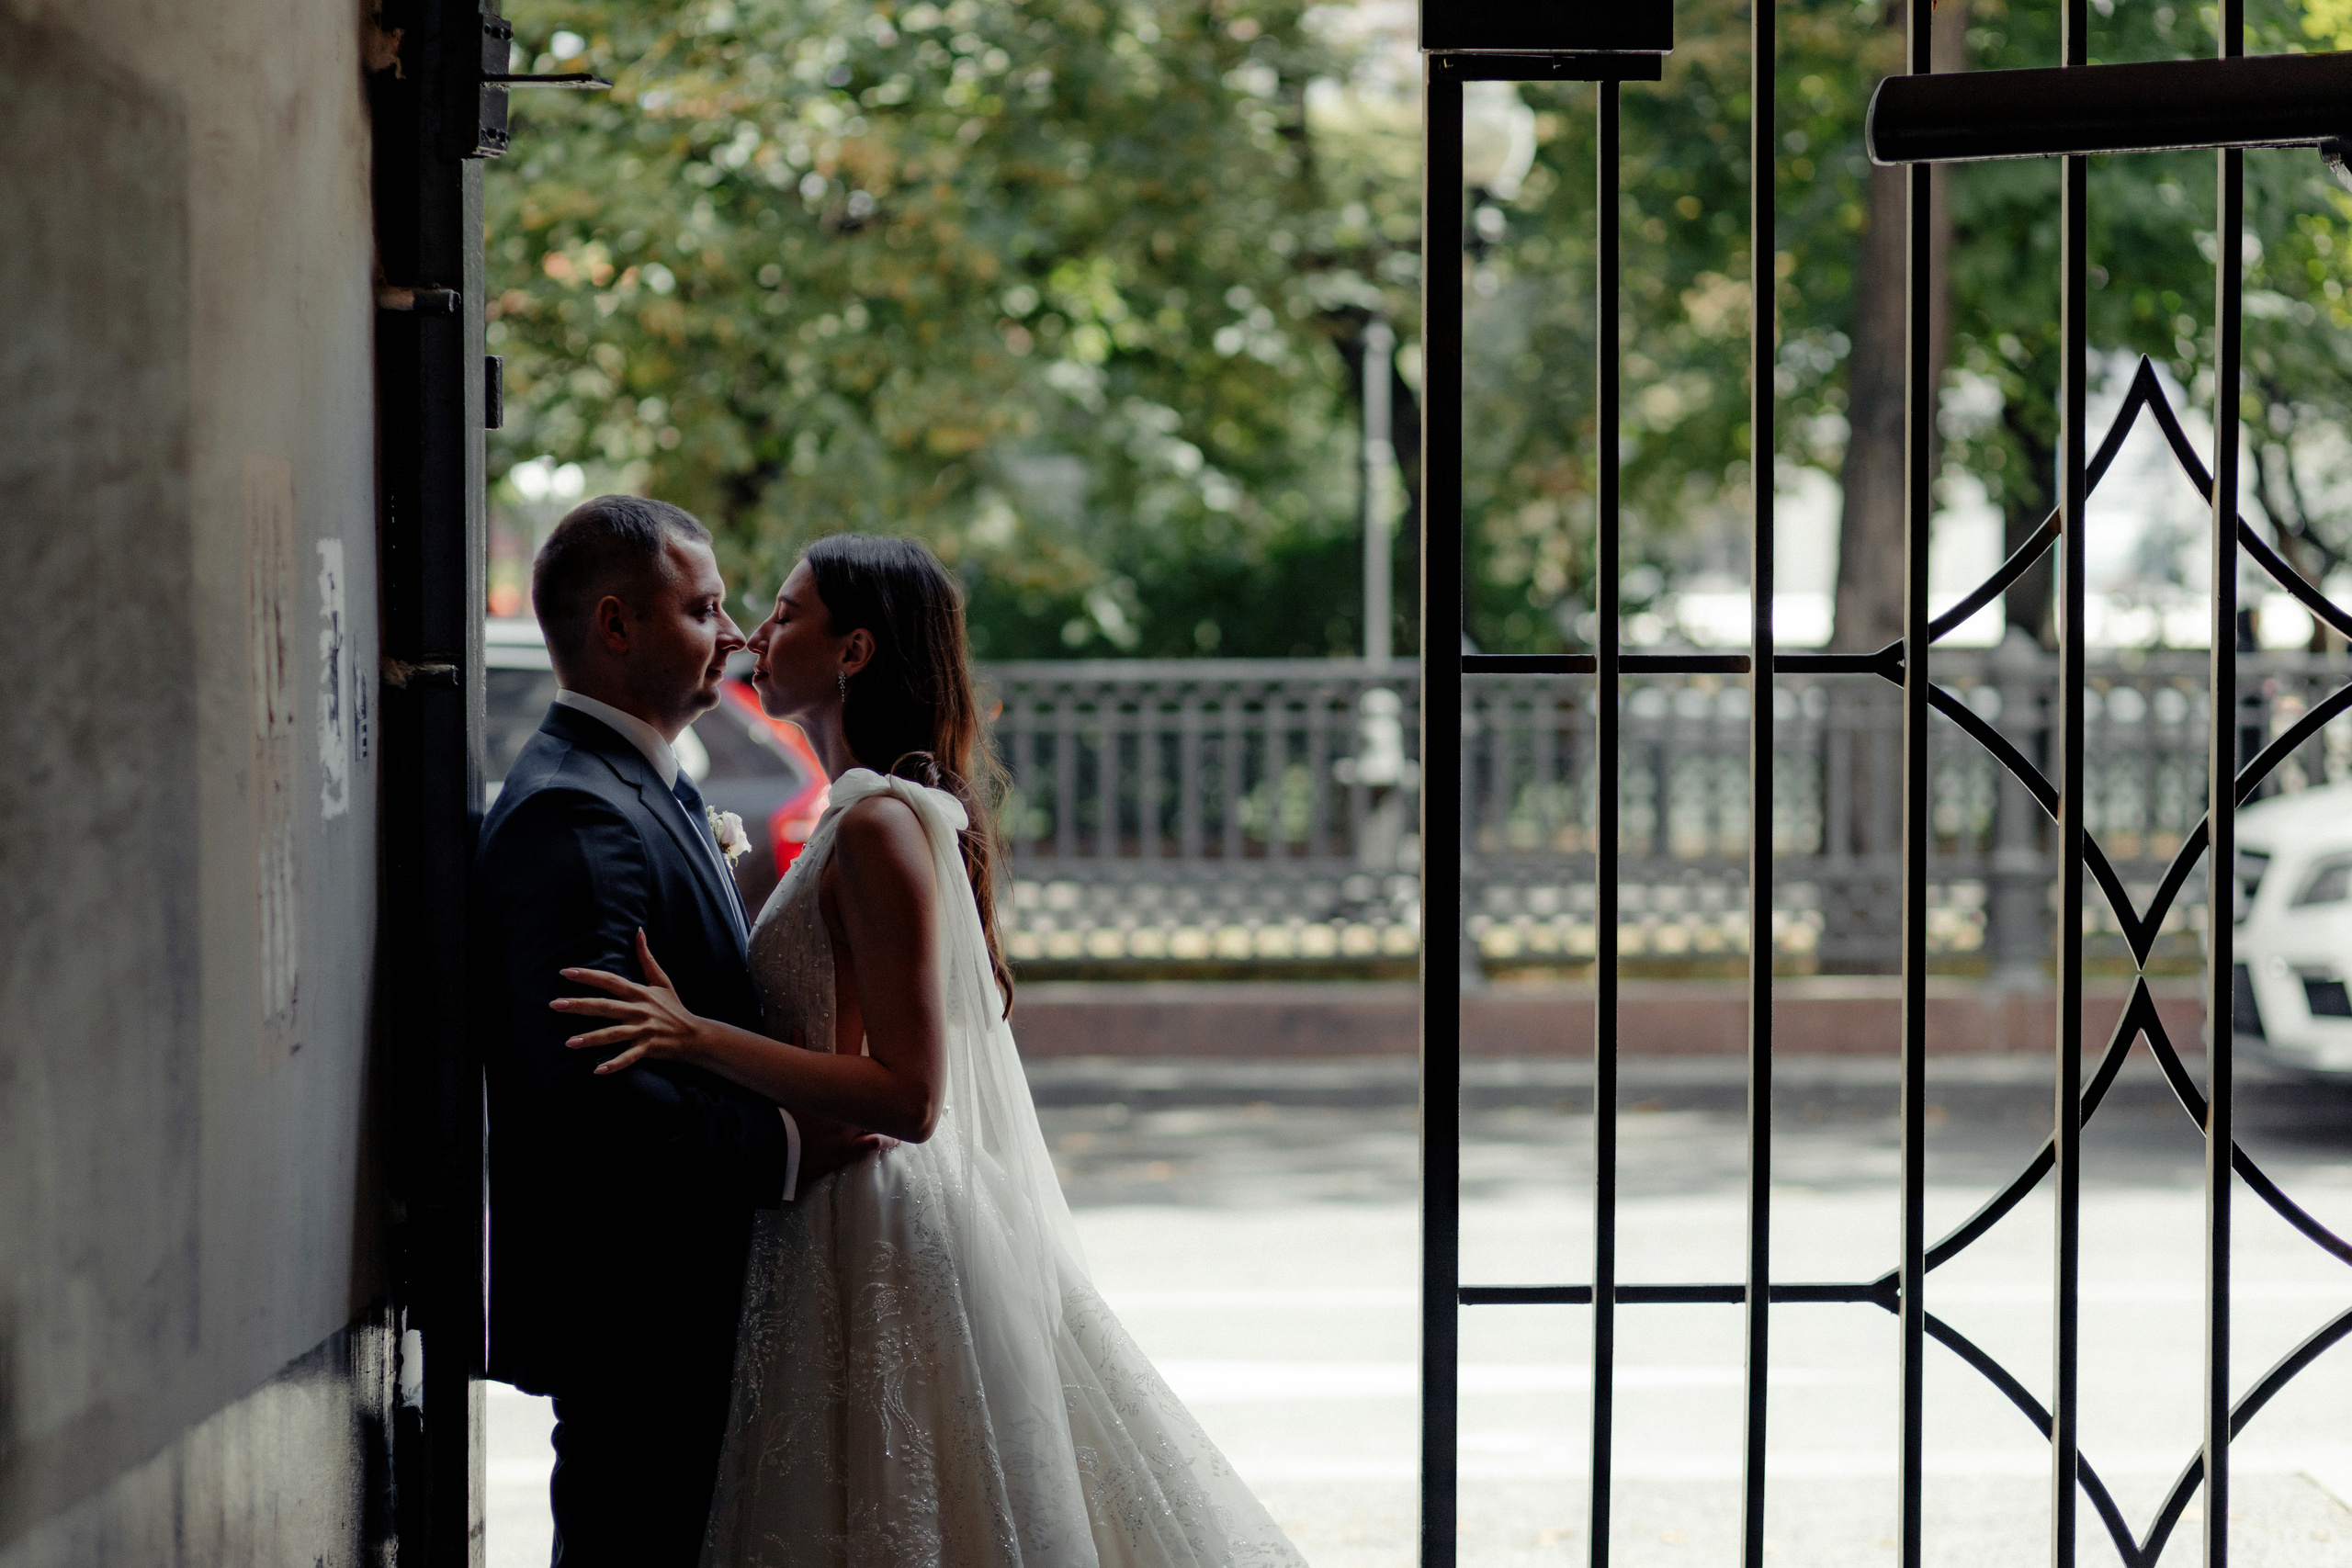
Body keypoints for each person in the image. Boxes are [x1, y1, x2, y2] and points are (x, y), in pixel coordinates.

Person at [556, 534, 1307, 1567]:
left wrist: (697, 1036)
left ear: (854, 650)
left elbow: (908, 1097)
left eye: (783, 612)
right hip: (830, 1212)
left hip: (875, 1216)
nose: (754, 636)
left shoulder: (875, 825)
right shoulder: (858, 814)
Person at [472, 495, 877, 1568]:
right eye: (704, 609)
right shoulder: (579, 814)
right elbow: (595, 1100)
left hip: (680, 1306)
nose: (735, 635)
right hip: (638, 1314)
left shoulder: (634, 784)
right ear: (616, 627)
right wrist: (796, 1144)